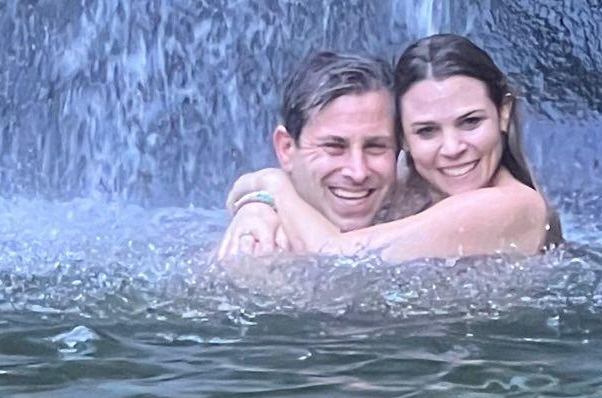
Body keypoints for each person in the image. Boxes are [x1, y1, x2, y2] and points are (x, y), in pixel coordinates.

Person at [224, 34, 559, 261]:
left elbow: (346, 262)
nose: (453, 147)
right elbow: (237, 193)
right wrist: (257, 205)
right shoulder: (408, 187)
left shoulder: (515, 205)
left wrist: (274, 185)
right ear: (405, 140)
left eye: (470, 122)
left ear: (503, 113)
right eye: (427, 131)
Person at [216, 51, 404, 259]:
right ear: (286, 148)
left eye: (375, 146)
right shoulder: (259, 247)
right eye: (334, 146)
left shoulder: (428, 207)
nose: (358, 172)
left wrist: (271, 186)